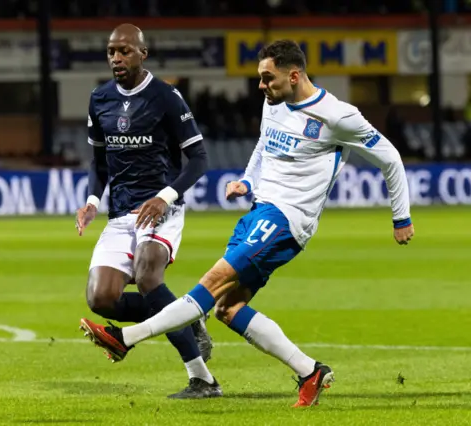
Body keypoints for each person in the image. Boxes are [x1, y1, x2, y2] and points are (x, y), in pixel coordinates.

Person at [79, 39, 415, 407]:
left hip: (287, 219)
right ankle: (310, 372)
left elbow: (390, 158)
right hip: (259, 213)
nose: (260, 86)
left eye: (267, 78)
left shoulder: (338, 115)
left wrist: (401, 217)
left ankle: (124, 339)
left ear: (294, 74)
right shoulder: (275, 102)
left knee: (210, 284)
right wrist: (248, 181)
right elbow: (263, 146)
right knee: (227, 308)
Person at [75, 23, 222, 399]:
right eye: (111, 51)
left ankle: (202, 378)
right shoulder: (100, 98)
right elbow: (99, 161)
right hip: (121, 212)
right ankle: (187, 316)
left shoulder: (166, 97)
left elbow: (200, 158)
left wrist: (166, 196)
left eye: (124, 51)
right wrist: (92, 202)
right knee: (100, 298)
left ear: (143, 53)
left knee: (147, 277)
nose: (116, 58)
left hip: (161, 208)